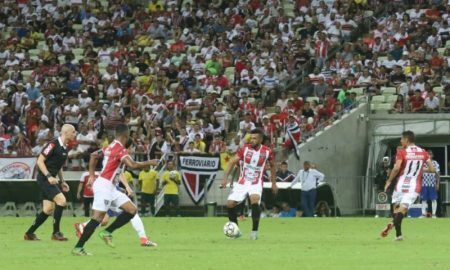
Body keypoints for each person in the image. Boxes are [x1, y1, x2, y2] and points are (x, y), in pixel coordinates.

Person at [72, 124, 159, 256]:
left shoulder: (110, 146)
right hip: (104, 186)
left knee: (132, 210)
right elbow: (133, 165)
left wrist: (91, 175)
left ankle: (107, 232)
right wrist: (150, 162)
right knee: (97, 219)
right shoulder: (120, 149)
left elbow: (94, 155)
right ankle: (78, 247)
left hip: (110, 186)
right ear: (126, 135)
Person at [220, 129, 278, 240]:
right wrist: (225, 179)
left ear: (261, 139)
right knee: (230, 204)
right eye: (251, 138)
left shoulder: (267, 151)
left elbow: (273, 166)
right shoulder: (244, 149)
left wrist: (273, 183)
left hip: (256, 182)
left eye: (254, 138)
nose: (251, 140)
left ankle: (254, 232)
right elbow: (232, 162)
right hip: (242, 182)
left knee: (254, 200)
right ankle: (236, 231)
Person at [24, 124, 77, 241]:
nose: (75, 134)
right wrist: (48, 176)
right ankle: (56, 233)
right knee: (62, 201)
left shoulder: (64, 148)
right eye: (73, 132)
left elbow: (59, 167)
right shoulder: (52, 144)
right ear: (66, 133)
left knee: (48, 209)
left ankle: (29, 233)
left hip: (51, 179)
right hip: (44, 178)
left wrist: (62, 181)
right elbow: (40, 161)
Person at [380, 131, 435, 241]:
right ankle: (393, 225)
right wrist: (420, 170)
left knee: (396, 210)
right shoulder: (423, 152)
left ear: (407, 140)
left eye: (402, 139)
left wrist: (389, 181)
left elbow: (396, 168)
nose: (401, 141)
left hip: (400, 184)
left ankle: (398, 235)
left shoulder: (402, 152)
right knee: (403, 210)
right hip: (414, 185)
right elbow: (432, 169)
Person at [420, 150, 440, 218]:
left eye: (430, 154)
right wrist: (431, 170)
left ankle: (434, 214)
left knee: (433, 199)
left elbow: (437, 174)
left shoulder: (435, 163)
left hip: (432, 183)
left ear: (432, 155)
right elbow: (421, 172)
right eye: (428, 154)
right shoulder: (423, 163)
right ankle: (423, 214)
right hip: (423, 184)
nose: (429, 155)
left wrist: (437, 184)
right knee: (423, 199)